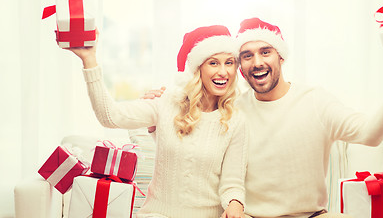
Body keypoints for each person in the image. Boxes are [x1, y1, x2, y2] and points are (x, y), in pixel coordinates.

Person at [144, 18, 383, 218]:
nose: (257, 62)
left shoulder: (315, 101)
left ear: (280, 57)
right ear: (240, 68)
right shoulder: (233, 109)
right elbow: (191, 139)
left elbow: (369, 134)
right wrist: (162, 108)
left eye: (265, 52)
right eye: (246, 56)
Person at [65, 25, 248, 218]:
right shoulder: (166, 102)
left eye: (229, 63)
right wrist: (89, 59)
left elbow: (233, 183)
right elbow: (110, 116)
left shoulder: (236, 120)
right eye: (213, 63)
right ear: (198, 68)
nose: (223, 72)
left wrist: (235, 204)